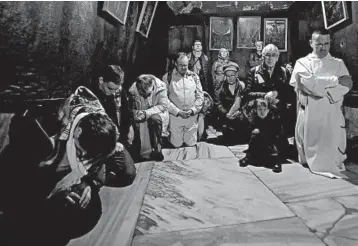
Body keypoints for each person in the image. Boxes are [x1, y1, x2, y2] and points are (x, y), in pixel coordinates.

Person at [0, 86, 136, 245]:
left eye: (90, 158)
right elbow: (10, 193)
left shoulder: (100, 135)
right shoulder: (41, 135)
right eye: (80, 152)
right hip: (15, 187)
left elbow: (117, 169)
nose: (82, 160)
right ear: (77, 131)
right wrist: (48, 198)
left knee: (124, 174)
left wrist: (88, 182)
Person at [289, 28, 353, 179]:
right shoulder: (302, 63)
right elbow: (308, 84)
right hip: (310, 114)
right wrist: (334, 81)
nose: (323, 47)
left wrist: (329, 92)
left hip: (332, 114)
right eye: (319, 44)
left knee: (334, 154)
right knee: (308, 155)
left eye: (326, 43)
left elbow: (347, 84)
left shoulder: (338, 63)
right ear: (311, 43)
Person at [163, 53, 204, 148]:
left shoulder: (194, 77)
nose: (183, 68)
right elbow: (164, 99)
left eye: (185, 65)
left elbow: (200, 96)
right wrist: (177, 112)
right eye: (181, 65)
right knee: (176, 145)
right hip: (175, 118)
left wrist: (193, 110)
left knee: (191, 145)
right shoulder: (167, 77)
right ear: (176, 64)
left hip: (191, 117)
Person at [128, 74, 169, 161]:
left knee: (155, 120)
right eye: (142, 94)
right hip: (140, 115)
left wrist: (147, 113)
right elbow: (131, 108)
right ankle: (139, 151)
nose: (146, 97)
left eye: (148, 94)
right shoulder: (132, 90)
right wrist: (136, 113)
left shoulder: (161, 87)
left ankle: (157, 148)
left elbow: (163, 105)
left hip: (157, 114)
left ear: (152, 86)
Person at [239, 98, 287, 172]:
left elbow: (278, 137)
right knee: (255, 133)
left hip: (271, 145)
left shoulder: (274, 118)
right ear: (255, 110)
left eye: (265, 109)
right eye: (259, 109)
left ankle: (276, 161)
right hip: (258, 146)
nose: (262, 112)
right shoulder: (253, 118)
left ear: (268, 110)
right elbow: (247, 134)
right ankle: (248, 157)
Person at [93, 65, 130, 146]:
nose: (113, 93)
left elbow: (125, 117)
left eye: (116, 90)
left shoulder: (120, 92)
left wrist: (121, 140)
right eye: (110, 89)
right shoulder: (90, 94)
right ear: (101, 80)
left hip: (117, 139)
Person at [214, 62, 249, 143]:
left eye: (232, 75)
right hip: (226, 115)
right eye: (227, 76)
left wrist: (239, 111)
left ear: (236, 75)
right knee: (228, 137)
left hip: (239, 114)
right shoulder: (221, 87)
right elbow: (217, 103)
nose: (230, 78)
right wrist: (226, 113)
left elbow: (246, 102)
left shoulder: (242, 86)